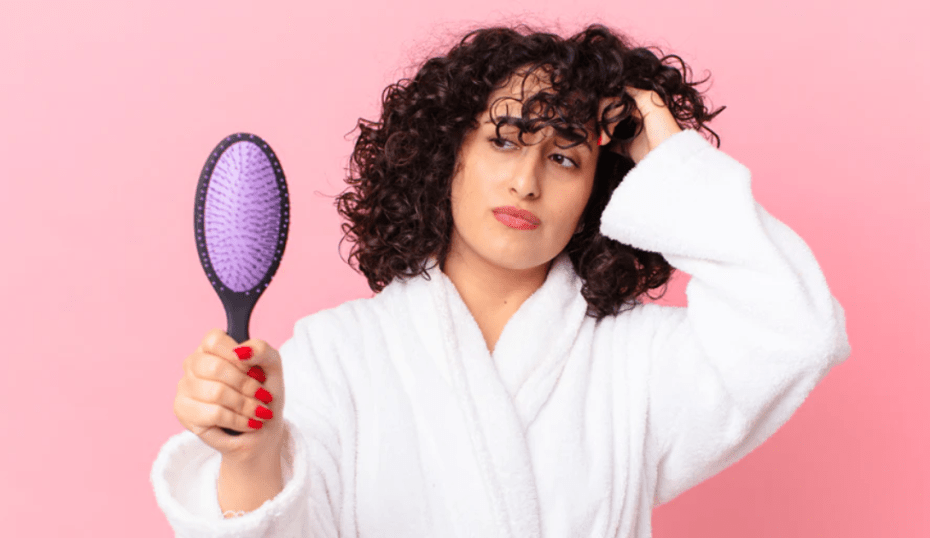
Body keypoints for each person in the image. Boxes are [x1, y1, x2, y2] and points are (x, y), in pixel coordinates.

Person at [151, 23, 852, 537]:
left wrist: (664, 156)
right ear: (446, 150)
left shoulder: (633, 363)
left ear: (600, 191)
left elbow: (796, 333)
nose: (526, 180)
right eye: (505, 140)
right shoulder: (337, 358)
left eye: (566, 158)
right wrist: (253, 455)